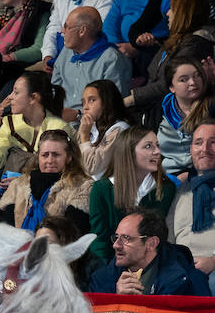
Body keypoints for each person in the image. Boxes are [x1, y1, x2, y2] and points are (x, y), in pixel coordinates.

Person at [88, 125, 177, 265]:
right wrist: (112, 271)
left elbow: (160, 239)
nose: (157, 152)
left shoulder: (166, 189)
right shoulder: (101, 189)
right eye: (148, 146)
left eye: (157, 146)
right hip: (110, 264)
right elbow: (101, 241)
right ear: (128, 152)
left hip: (153, 264)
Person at [127, 0, 215, 112]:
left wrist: (132, 98)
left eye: (172, 9)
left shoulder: (194, 46)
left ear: (183, 14)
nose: (167, 13)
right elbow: (152, 76)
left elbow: (168, 83)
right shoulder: (175, 41)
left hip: (169, 110)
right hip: (153, 104)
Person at [87, 209, 211, 296]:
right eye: (116, 237)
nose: (116, 245)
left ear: (151, 243)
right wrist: (116, 298)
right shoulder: (101, 280)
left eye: (126, 238)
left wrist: (130, 304)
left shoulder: (189, 281)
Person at [0, 129, 93, 232]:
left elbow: (74, 231)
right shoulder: (19, 184)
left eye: (56, 155)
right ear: (38, 157)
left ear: (69, 157)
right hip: (19, 241)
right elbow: (6, 228)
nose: (50, 160)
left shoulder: (83, 187)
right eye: (45, 155)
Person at [0, 72, 71, 177]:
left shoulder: (59, 128)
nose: (10, 97)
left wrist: (24, 180)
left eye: (16, 92)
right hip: (11, 186)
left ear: (33, 97)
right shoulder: (9, 123)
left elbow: (66, 170)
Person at [51, 7, 131, 118]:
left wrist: (78, 115)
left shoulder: (112, 59)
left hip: (94, 123)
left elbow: (113, 105)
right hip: (61, 120)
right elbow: (55, 90)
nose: (62, 31)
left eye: (67, 27)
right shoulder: (66, 52)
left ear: (82, 31)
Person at [171, 120, 215, 289]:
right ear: (191, 150)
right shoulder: (178, 188)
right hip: (181, 267)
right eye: (198, 143)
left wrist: (213, 261)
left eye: (213, 142)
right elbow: (167, 236)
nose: (205, 149)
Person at [154, 55, 215, 178]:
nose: (192, 82)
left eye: (197, 76)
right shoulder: (161, 109)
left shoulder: (212, 107)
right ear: (172, 87)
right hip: (164, 175)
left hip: (202, 176)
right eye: (183, 79)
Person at [77, 80, 133, 180]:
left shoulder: (119, 130)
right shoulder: (91, 127)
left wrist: (84, 136)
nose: (85, 107)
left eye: (92, 100)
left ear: (107, 102)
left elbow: (92, 168)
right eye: (83, 102)